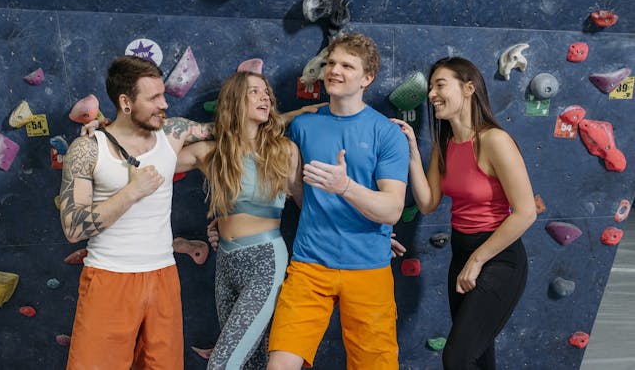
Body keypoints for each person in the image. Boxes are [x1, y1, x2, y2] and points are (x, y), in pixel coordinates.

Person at [58, 55, 214, 370]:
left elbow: (237, 129)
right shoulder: (89, 148)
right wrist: (131, 192)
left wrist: (305, 113)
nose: (164, 104)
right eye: (154, 97)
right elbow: (73, 229)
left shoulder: (173, 133)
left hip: (163, 278)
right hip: (109, 278)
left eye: (164, 95)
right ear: (126, 102)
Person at [267, 33, 409, 370]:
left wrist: (345, 188)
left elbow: (392, 208)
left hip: (369, 269)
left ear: (367, 78)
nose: (334, 70)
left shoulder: (386, 133)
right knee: (279, 365)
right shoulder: (303, 126)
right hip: (309, 266)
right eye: (331, 63)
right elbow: (303, 194)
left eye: (347, 65)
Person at [391, 56, 536, 370]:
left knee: (457, 358)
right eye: (430, 87)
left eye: (440, 85)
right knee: (479, 358)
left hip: (499, 258)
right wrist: (414, 153)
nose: (431, 94)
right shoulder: (444, 145)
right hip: (462, 253)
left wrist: (477, 260)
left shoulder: (494, 140)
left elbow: (525, 213)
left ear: (469, 88)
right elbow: (428, 203)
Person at [178, 71, 308, 369]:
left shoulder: (283, 152)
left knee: (222, 364)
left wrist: (365, 233)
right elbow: (152, 160)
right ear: (235, 101)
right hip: (225, 262)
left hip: (265, 262)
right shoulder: (210, 153)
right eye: (254, 92)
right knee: (252, 363)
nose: (265, 97)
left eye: (267, 93)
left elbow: (311, 210)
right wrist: (107, 134)